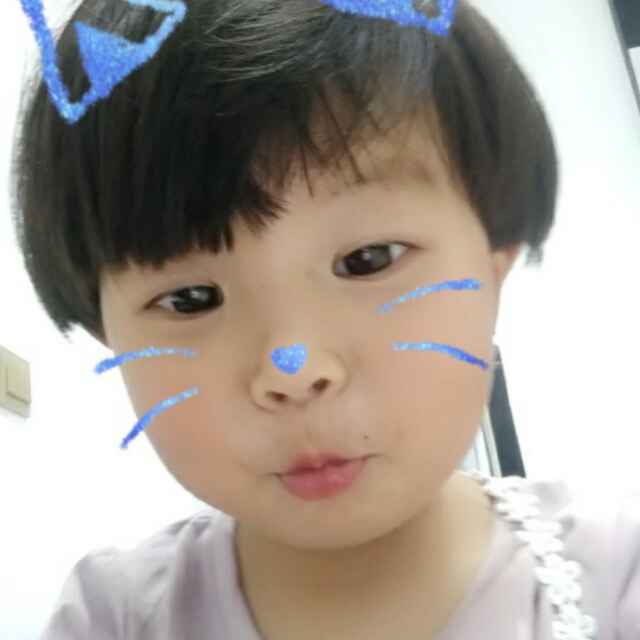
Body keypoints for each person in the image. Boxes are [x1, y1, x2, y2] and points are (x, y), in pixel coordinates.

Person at [10, 0, 639, 638]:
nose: (294, 370)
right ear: (109, 336)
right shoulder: (112, 616)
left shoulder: (615, 575)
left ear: (493, 270)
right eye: (191, 299)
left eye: (368, 260)